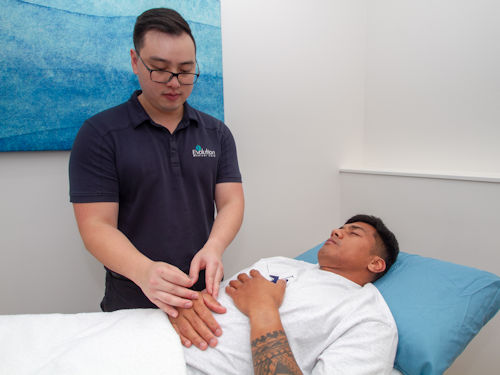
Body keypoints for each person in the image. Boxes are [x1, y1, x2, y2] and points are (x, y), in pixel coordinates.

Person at [68, 8, 244, 318]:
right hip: (132, 300)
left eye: (186, 70)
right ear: (135, 61)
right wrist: (143, 270)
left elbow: (231, 202)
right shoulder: (100, 134)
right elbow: (95, 225)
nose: (175, 82)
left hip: (201, 296)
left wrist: (214, 246)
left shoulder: (216, 132)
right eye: (160, 69)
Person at [174, 214, 400, 374]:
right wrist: (181, 310)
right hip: (156, 335)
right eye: (341, 227)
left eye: (354, 233)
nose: (336, 231)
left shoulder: (368, 317)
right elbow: (204, 301)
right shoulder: (278, 263)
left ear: (376, 263)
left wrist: (262, 307)